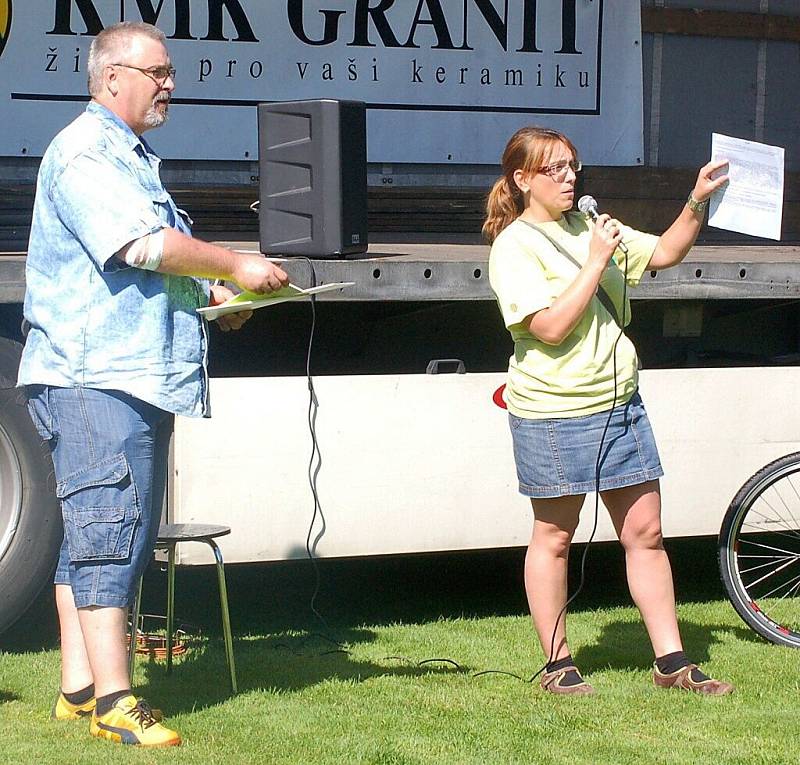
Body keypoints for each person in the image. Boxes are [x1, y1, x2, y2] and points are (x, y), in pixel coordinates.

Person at [17, 21, 289, 746]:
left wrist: (209, 304)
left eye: (170, 71)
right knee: (110, 534)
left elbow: (134, 277)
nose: (170, 83)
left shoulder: (129, 155)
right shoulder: (84, 152)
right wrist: (233, 264)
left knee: (96, 536)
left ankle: (78, 689)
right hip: (95, 377)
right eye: (157, 71)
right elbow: (139, 246)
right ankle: (116, 700)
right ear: (111, 78)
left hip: (122, 372)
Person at [485, 126, 734, 697]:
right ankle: (557, 663)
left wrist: (697, 199)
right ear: (522, 180)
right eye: (555, 169)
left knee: (645, 533)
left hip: (620, 406)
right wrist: (595, 260)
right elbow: (547, 327)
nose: (570, 177)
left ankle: (672, 662)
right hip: (552, 411)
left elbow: (667, 252)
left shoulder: (591, 226)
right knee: (554, 535)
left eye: (574, 166)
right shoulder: (514, 246)